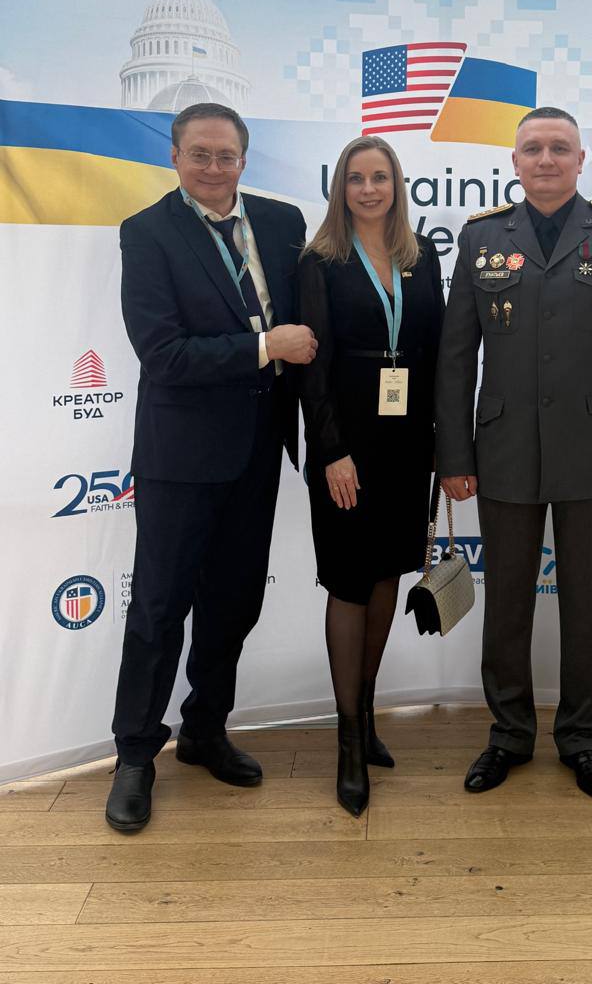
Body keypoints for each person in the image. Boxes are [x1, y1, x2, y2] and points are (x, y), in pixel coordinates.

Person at [436, 106, 592, 801]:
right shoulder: (481, 237)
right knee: (506, 602)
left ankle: (581, 740)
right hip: (504, 448)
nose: (545, 159)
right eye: (533, 148)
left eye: (559, 148)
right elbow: (455, 358)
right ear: (514, 162)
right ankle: (508, 735)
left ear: (580, 160)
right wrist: (454, 454)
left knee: (589, 605)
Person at [107, 102, 317, 832]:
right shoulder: (147, 232)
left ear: (244, 159)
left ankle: (205, 729)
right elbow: (162, 354)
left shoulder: (283, 222)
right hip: (180, 454)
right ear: (174, 156)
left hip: (259, 449)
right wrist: (264, 347)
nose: (213, 167)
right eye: (199, 153)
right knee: (159, 607)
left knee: (233, 602)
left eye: (226, 155)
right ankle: (135, 754)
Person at [298, 134, 444, 817]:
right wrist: (331, 450)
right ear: (341, 188)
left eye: (379, 177)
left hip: (407, 442)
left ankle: (366, 710)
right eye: (356, 178)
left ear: (396, 184)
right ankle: (348, 741)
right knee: (351, 580)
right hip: (347, 442)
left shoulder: (422, 256)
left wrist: (441, 443)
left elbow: (438, 352)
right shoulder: (320, 260)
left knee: (387, 573)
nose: (368, 189)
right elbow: (312, 366)